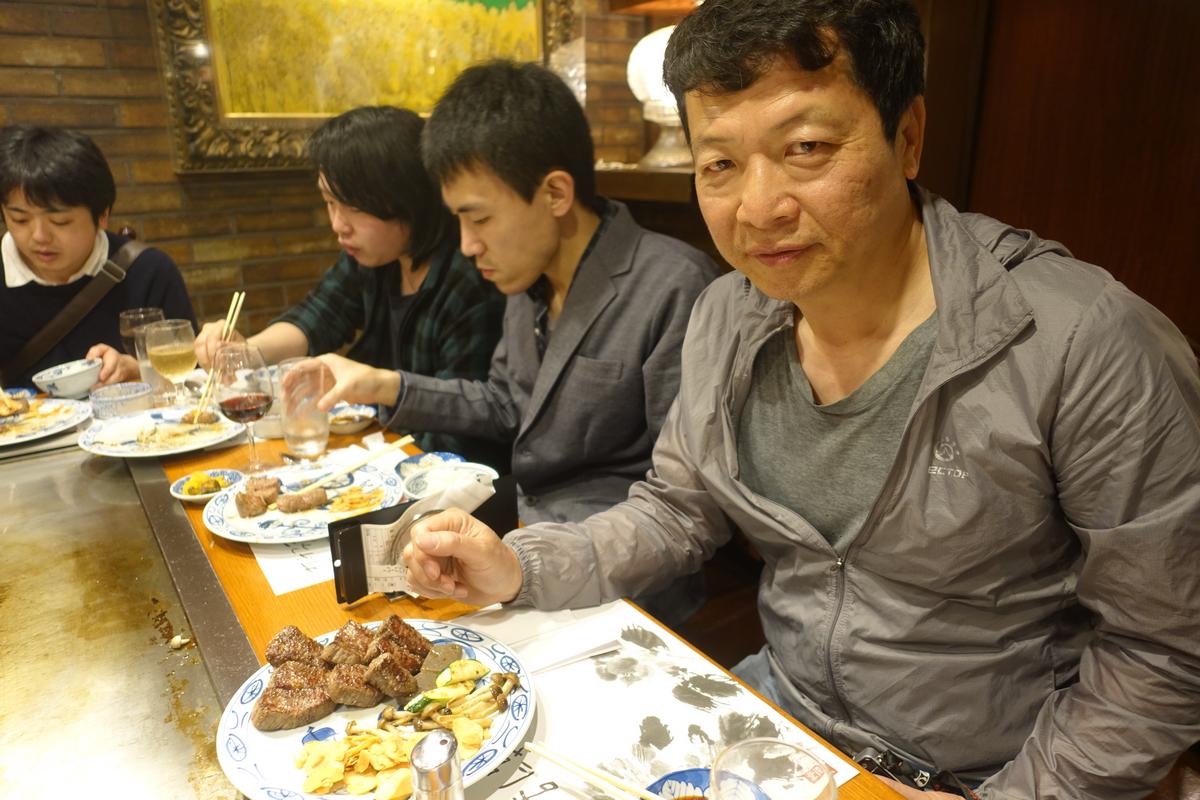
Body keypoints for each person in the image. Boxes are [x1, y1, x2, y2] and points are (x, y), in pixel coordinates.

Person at [397, 2, 1200, 798]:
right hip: (779, 726)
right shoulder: (727, 313)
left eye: (806, 147)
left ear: (908, 136)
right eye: (719, 165)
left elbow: (1164, 648)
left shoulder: (1083, 341)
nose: (758, 208)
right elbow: (679, 509)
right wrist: (519, 566)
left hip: (993, 771)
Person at [312, 61, 721, 625]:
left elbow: (682, 509)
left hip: (623, 580)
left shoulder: (673, 286)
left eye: (478, 218)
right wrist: (388, 384)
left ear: (554, 192)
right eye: (458, 220)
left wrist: (521, 562)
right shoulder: (528, 277)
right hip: (524, 536)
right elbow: (508, 402)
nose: (468, 245)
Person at [192, 106, 507, 465]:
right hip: (384, 449)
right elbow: (317, 316)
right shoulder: (374, 260)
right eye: (329, 202)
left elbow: (461, 431)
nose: (338, 225)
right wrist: (245, 352)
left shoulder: (468, 281)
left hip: (447, 476)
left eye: (353, 208)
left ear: (407, 199)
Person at [0, 125, 195, 387]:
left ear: (102, 215)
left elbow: (194, 375)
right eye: (20, 219)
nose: (39, 237)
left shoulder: (147, 271)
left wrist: (139, 369)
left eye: (60, 221)